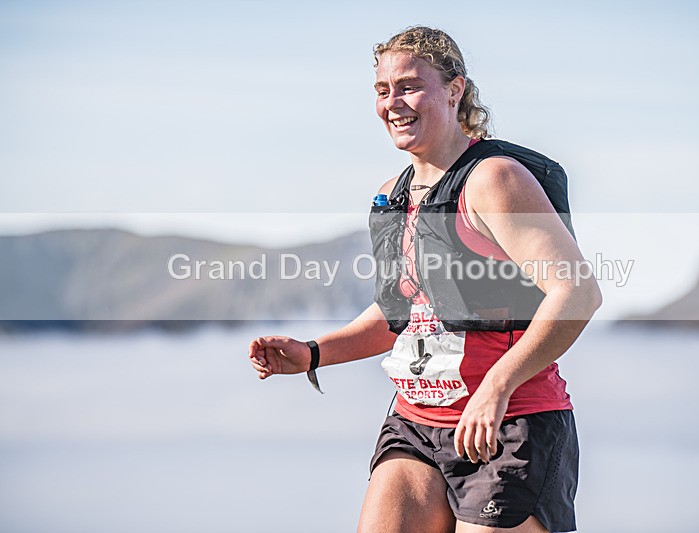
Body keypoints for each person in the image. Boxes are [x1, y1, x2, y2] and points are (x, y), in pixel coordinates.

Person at [248, 26, 602, 533]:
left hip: (509, 423)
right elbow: (402, 314)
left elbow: (578, 293)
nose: (394, 102)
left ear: (455, 90)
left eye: (410, 86)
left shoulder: (494, 180)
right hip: (416, 423)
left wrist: (497, 385)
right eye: (382, 90)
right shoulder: (393, 193)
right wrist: (314, 352)